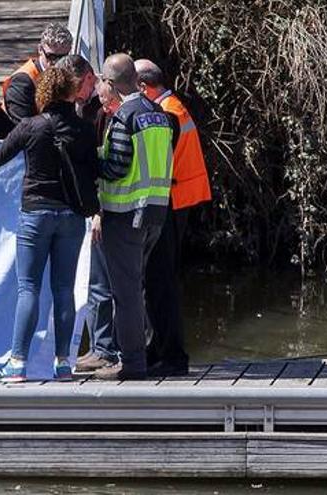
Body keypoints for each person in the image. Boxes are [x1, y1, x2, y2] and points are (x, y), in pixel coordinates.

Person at [0, 68, 99, 382]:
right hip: (71, 217)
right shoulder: (84, 129)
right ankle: (63, 365)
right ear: (71, 93)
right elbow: (97, 170)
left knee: (29, 288)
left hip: (36, 215)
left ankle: (17, 364)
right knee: (64, 290)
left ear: (42, 93)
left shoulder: (30, 126)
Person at [91, 54, 177, 381]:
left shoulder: (125, 116)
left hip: (125, 214)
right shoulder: (157, 112)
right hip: (156, 212)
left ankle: (131, 362)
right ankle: (140, 353)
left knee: (125, 293)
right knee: (136, 287)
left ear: (110, 84)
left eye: (102, 80)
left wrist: (90, 161)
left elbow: (117, 167)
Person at [135, 59, 212, 377]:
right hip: (178, 198)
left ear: (143, 87)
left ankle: (171, 355)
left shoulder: (167, 114)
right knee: (157, 280)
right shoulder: (172, 106)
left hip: (172, 201)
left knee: (159, 281)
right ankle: (158, 348)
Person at [75, 76, 123, 373]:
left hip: (111, 212)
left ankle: (105, 350)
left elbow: (113, 170)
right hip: (124, 213)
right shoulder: (126, 117)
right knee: (109, 286)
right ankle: (106, 348)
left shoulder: (122, 120)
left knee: (102, 285)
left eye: (105, 100)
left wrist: (97, 212)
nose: (102, 107)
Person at [1, 22, 72, 124]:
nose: (56, 63)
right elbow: (24, 127)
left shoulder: (67, 74)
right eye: (51, 57)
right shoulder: (22, 81)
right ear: (40, 49)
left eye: (62, 58)